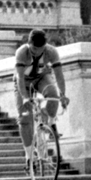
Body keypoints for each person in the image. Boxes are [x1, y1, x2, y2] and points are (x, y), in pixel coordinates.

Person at [14, 28, 69, 169]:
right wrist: (25, 98)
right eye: (34, 49)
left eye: (40, 49)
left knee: (53, 94)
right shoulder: (21, 52)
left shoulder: (51, 51)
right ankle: (29, 155)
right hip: (23, 83)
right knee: (25, 118)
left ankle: (50, 123)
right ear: (28, 44)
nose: (37, 52)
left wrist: (63, 95)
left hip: (40, 78)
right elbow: (20, 78)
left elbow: (59, 75)